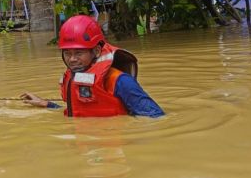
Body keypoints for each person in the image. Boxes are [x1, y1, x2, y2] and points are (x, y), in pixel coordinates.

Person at [21, 15, 164, 117]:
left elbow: (156, 117)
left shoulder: (120, 81)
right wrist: (46, 104)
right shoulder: (72, 77)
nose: (72, 59)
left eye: (78, 53)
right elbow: (79, 112)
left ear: (96, 51)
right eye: (67, 53)